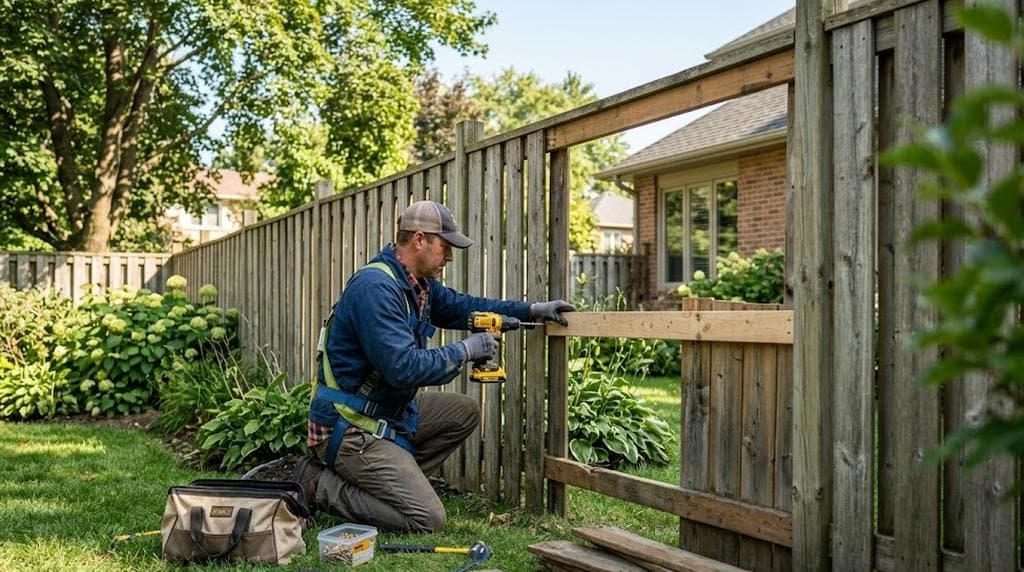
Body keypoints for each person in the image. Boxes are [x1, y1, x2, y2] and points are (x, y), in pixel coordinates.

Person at [294, 200, 575, 532]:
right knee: (428, 518)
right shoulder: (377, 289)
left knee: (463, 411)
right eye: (446, 245)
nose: (451, 256)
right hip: (350, 425)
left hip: (386, 411)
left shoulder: (418, 285)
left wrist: (532, 309)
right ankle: (319, 485)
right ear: (419, 240)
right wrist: (465, 350)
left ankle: (393, 485)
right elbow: (404, 368)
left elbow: (466, 306)